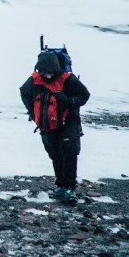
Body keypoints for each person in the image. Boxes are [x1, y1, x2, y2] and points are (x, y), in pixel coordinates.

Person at [19, 51, 90, 203]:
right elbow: (24, 92)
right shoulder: (34, 80)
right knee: (55, 154)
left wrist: (69, 102)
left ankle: (70, 188)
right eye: (44, 73)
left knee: (69, 152)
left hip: (68, 122)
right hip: (46, 124)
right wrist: (33, 113)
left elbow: (84, 95)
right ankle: (60, 185)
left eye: (51, 73)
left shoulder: (68, 79)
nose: (48, 76)